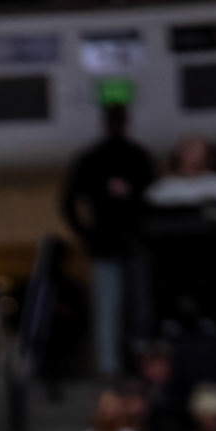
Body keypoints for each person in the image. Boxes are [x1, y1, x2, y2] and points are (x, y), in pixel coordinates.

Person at [59, 104, 154, 378]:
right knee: (107, 310)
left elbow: (152, 198)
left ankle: (140, 365)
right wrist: (87, 234)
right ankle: (109, 370)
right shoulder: (92, 158)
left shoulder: (137, 157)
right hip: (105, 247)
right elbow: (68, 202)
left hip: (136, 244)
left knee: (140, 311)